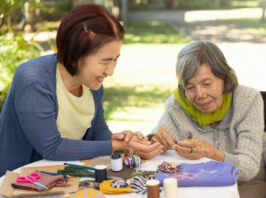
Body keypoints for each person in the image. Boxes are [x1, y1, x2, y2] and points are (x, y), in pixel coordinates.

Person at [0, 4, 163, 177]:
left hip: (60, 180)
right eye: (104, 61)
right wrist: (115, 146)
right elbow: (52, 148)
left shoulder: (92, 85)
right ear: (76, 54)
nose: (110, 71)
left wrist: (122, 140)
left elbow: (98, 134)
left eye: (115, 60)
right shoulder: (33, 80)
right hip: (17, 185)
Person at [150, 41, 266, 198]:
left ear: (224, 78)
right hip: (198, 183)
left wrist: (210, 152)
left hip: (247, 184)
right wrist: (154, 140)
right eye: (190, 87)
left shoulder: (248, 100)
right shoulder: (176, 106)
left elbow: (247, 169)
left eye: (207, 84)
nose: (199, 95)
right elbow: (154, 146)